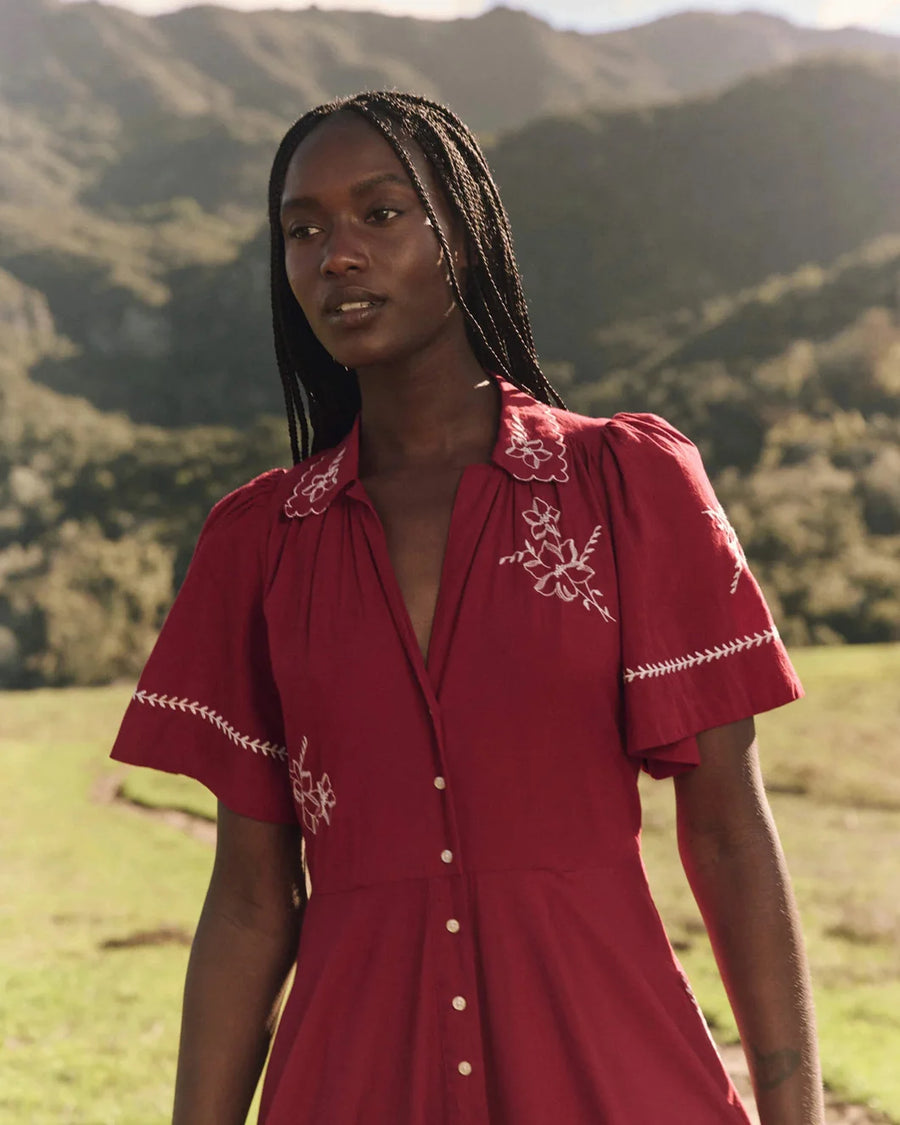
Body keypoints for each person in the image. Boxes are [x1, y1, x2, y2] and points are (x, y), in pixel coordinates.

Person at [111, 91, 825, 1125]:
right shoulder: (259, 545)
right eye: (302, 229)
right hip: (349, 1088)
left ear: (466, 234)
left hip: (611, 1078)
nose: (336, 255)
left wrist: (795, 1114)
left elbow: (726, 835)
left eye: (381, 214)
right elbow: (253, 901)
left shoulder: (625, 485)